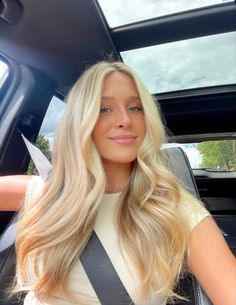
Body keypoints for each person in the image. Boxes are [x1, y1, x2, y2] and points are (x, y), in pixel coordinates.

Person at [0, 61, 235, 305]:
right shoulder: (44, 192)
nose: (125, 120)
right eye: (104, 109)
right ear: (80, 121)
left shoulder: (178, 211)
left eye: (135, 108)